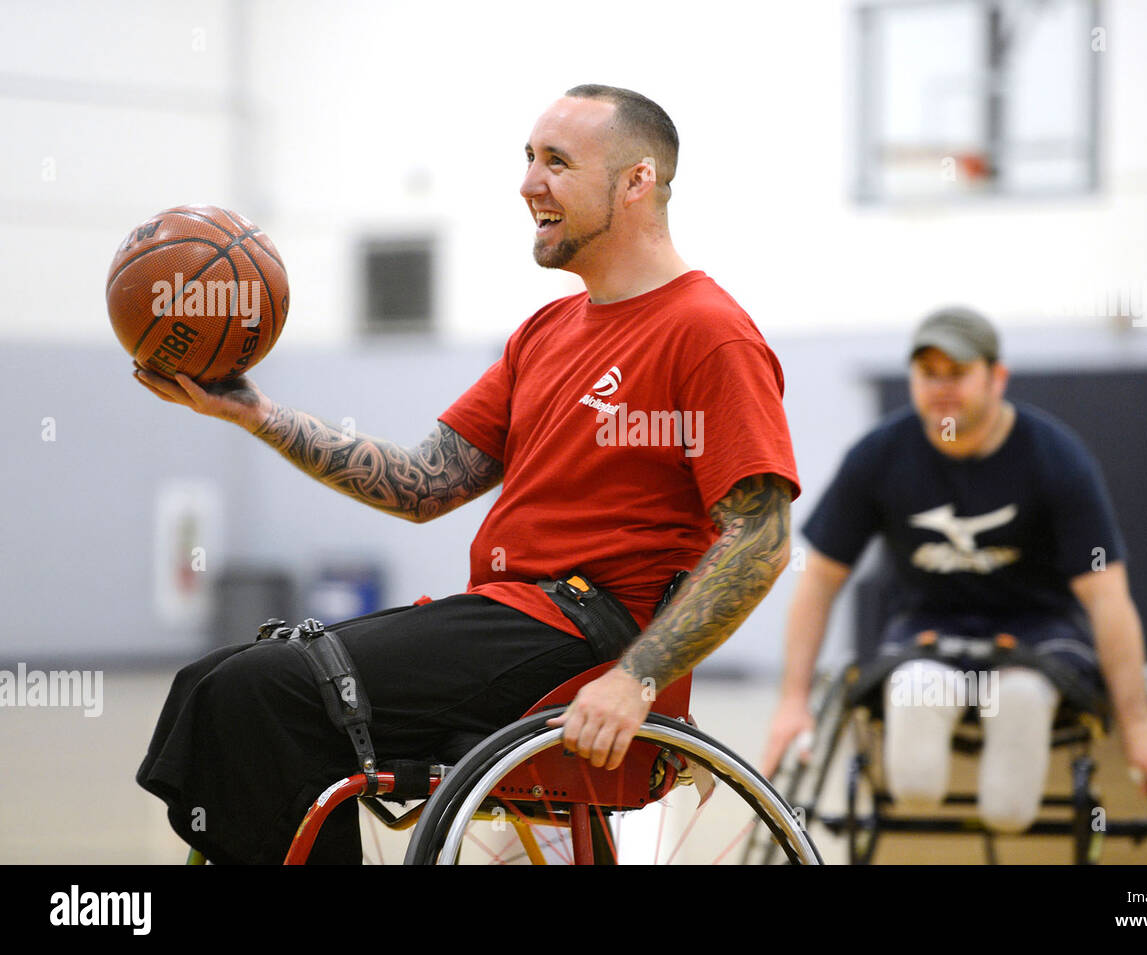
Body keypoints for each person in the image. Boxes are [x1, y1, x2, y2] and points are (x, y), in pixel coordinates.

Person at [134, 84, 799, 864]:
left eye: (556, 161)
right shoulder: (545, 332)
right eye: (527, 159)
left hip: (591, 631)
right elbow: (421, 483)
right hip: (511, 615)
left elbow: (762, 537)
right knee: (216, 682)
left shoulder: (708, 332)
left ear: (636, 181)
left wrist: (636, 677)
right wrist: (257, 414)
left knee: (266, 691)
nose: (528, 183)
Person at [759, 307, 1147, 834]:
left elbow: (1107, 597)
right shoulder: (879, 455)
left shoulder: (1055, 457)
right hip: (928, 631)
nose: (942, 387)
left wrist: (1139, 724)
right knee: (915, 744)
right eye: (929, 373)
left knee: (1013, 764)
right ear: (912, 379)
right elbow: (819, 580)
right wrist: (792, 703)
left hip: (1038, 634)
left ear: (997, 377)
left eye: (958, 372)